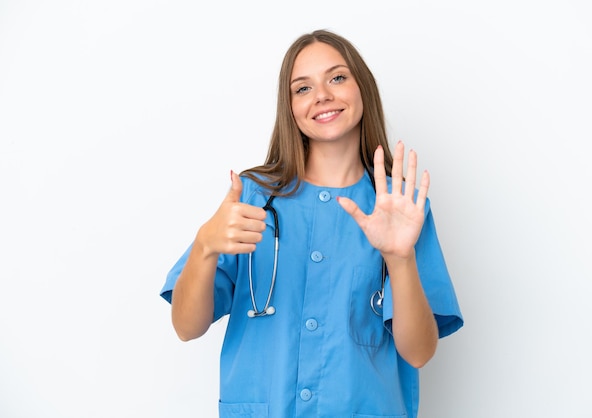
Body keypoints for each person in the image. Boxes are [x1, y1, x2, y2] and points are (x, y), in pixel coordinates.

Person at [160, 29, 463, 417]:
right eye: (302, 88)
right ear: (290, 108)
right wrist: (204, 246)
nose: (322, 95)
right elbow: (186, 327)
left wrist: (400, 258)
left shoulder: (400, 208)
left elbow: (419, 353)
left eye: (337, 78)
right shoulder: (254, 198)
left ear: (362, 88)